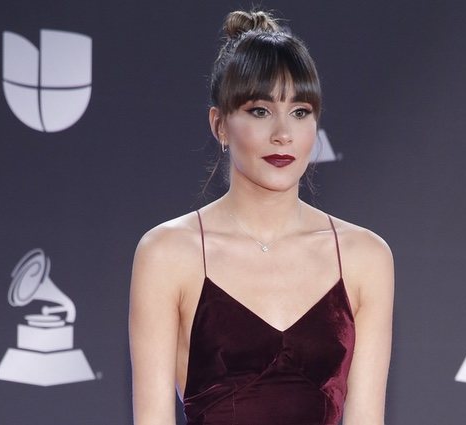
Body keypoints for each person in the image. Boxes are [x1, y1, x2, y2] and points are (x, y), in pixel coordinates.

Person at [129, 10, 394, 425]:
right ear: (219, 124)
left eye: (300, 112)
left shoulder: (365, 257)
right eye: (259, 111)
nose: (283, 134)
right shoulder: (167, 253)